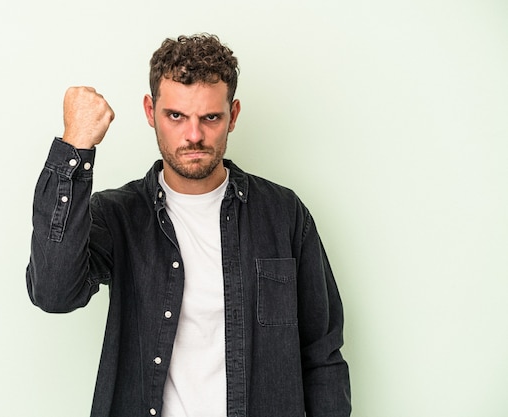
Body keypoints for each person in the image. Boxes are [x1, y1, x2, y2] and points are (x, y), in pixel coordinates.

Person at [26, 34, 351, 417]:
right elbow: (53, 292)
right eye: (176, 116)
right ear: (150, 111)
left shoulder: (283, 214)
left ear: (233, 115)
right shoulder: (119, 216)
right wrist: (75, 148)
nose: (193, 135)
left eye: (210, 117)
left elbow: (323, 355)